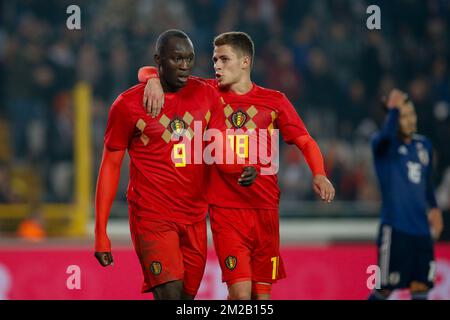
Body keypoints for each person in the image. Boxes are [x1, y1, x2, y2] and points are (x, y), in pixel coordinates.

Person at [138, 31, 335, 300]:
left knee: (260, 298)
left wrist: (320, 174)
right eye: (214, 59)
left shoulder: (274, 101)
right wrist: (151, 80)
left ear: (245, 62)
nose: (216, 65)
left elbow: (305, 141)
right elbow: (155, 70)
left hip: (265, 211)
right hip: (226, 211)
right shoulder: (206, 92)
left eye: (223, 59)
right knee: (241, 294)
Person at [94, 29, 256, 300]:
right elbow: (110, 166)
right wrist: (101, 232)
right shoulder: (128, 105)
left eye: (189, 59)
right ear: (159, 59)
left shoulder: (207, 94)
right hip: (152, 217)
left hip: (194, 218)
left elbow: (220, 151)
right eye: (176, 59)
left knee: (185, 301)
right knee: (170, 296)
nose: (184, 66)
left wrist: (242, 166)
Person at [368, 89, 444, 300]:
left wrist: (435, 208)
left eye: (412, 114)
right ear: (393, 119)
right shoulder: (383, 146)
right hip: (395, 230)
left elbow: (426, 184)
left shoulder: (424, 145)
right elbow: (385, 136)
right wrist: (393, 110)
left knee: (421, 288)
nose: (410, 120)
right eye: (404, 116)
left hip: (421, 232)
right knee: (384, 289)